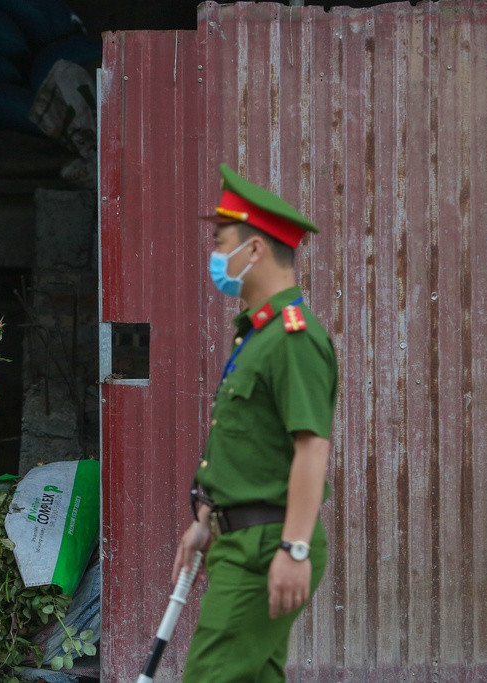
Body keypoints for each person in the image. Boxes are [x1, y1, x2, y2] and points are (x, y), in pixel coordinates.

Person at [173, 164, 338, 682]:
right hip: (238, 539)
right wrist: (206, 521)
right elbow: (251, 448)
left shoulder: (293, 338)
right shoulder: (257, 336)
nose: (216, 258)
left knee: (211, 676)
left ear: (257, 250)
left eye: (222, 243)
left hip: (266, 545)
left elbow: (312, 448)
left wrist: (295, 547)